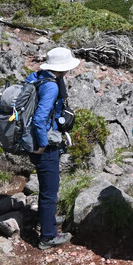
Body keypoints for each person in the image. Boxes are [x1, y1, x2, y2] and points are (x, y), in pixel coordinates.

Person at [29, 46, 79, 249]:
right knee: (50, 191)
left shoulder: (37, 76)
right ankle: (47, 237)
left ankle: (46, 219)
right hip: (45, 145)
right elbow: (40, 119)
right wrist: (42, 144)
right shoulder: (51, 86)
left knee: (47, 187)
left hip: (34, 142)